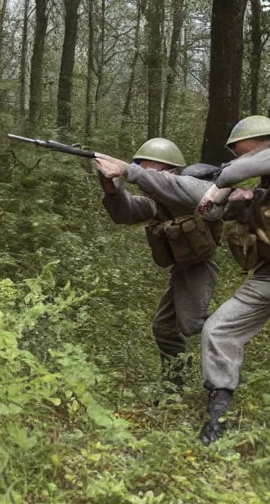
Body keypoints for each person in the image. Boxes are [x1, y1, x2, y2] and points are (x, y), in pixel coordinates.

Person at [195, 115, 270, 444]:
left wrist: (217, 181)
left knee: (219, 330)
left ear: (261, 142)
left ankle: (218, 419)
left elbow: (231, 173)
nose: (240, 157)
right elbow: (213, 213)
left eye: (242, 151)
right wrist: (244, 199)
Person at [95, 138, 225, 389]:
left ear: (169, 169)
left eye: (147, 168)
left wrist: (132, 172)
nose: (142, 172)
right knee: (164, 327)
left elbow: (190, 193)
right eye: (139, 166)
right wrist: (111, 187)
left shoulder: (193, 188)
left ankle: (221, 379)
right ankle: (173, 385)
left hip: (200, 267)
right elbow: (126, 212)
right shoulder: (158, 201)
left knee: (195, 325)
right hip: (182, 269)